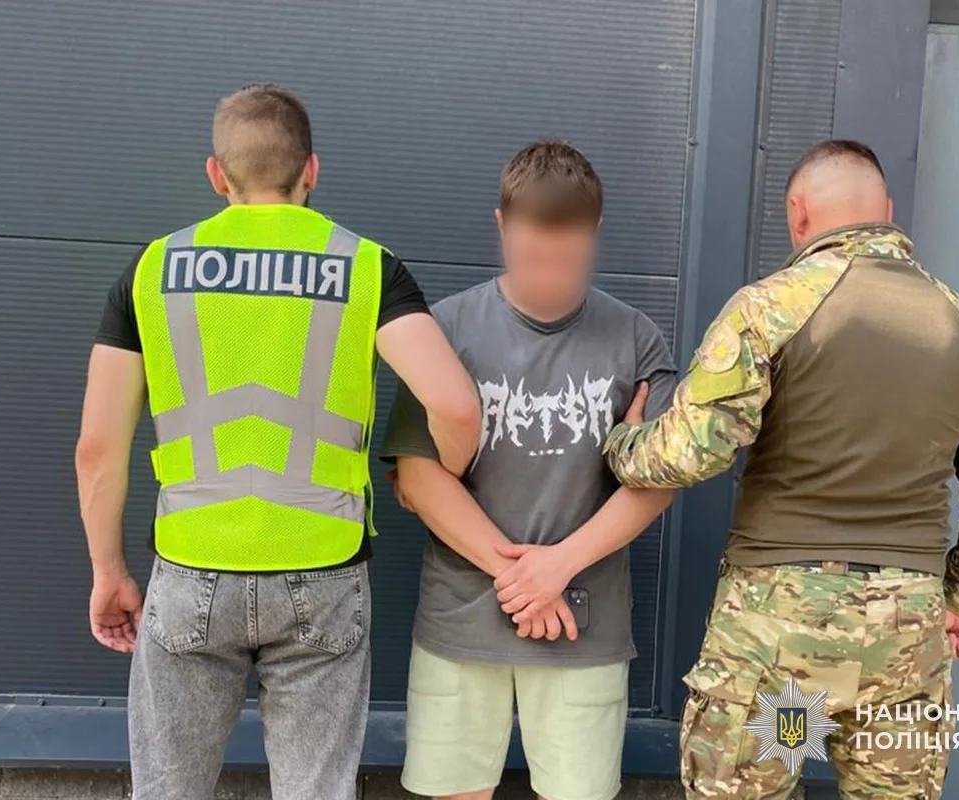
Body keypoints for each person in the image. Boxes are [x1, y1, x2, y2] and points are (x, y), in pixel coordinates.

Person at [74, 83, 481, 800]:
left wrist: (109, 572)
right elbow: (454, 405)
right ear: (311, 171)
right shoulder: (367, 266)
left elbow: (97, 449)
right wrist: (442, 472)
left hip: (193, 563)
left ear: (217, 175)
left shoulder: (153, 270)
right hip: (322, 567)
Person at [603, 140, 959, 799]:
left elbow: (693, 450)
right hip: (903, 643)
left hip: (784, 647)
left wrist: (621, 442)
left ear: (798, 212)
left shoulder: (768, 310)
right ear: (887, 212)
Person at [381, 140, 678, 800]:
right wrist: (525, 579)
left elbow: (657, 483)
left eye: (567, 257)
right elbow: (418, 477)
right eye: (532, 254)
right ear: (501, 226)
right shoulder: (444, 328)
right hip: (461, 620)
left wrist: (560, 566)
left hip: (584, 625)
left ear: (596, 232)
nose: (548, 274)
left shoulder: (635, 340)